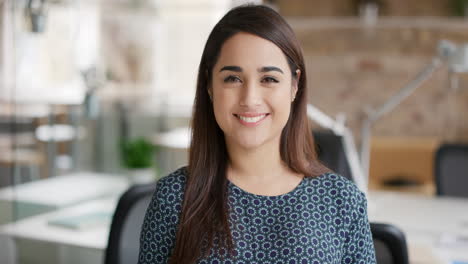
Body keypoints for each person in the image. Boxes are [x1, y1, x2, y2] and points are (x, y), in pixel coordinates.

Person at [138, 4, 376, 264]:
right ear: (209, 85)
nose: (250, 99)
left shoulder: (342, 201)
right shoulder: (174, 198)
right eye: (232, 78)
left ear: (294, 86)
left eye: (269, 79)